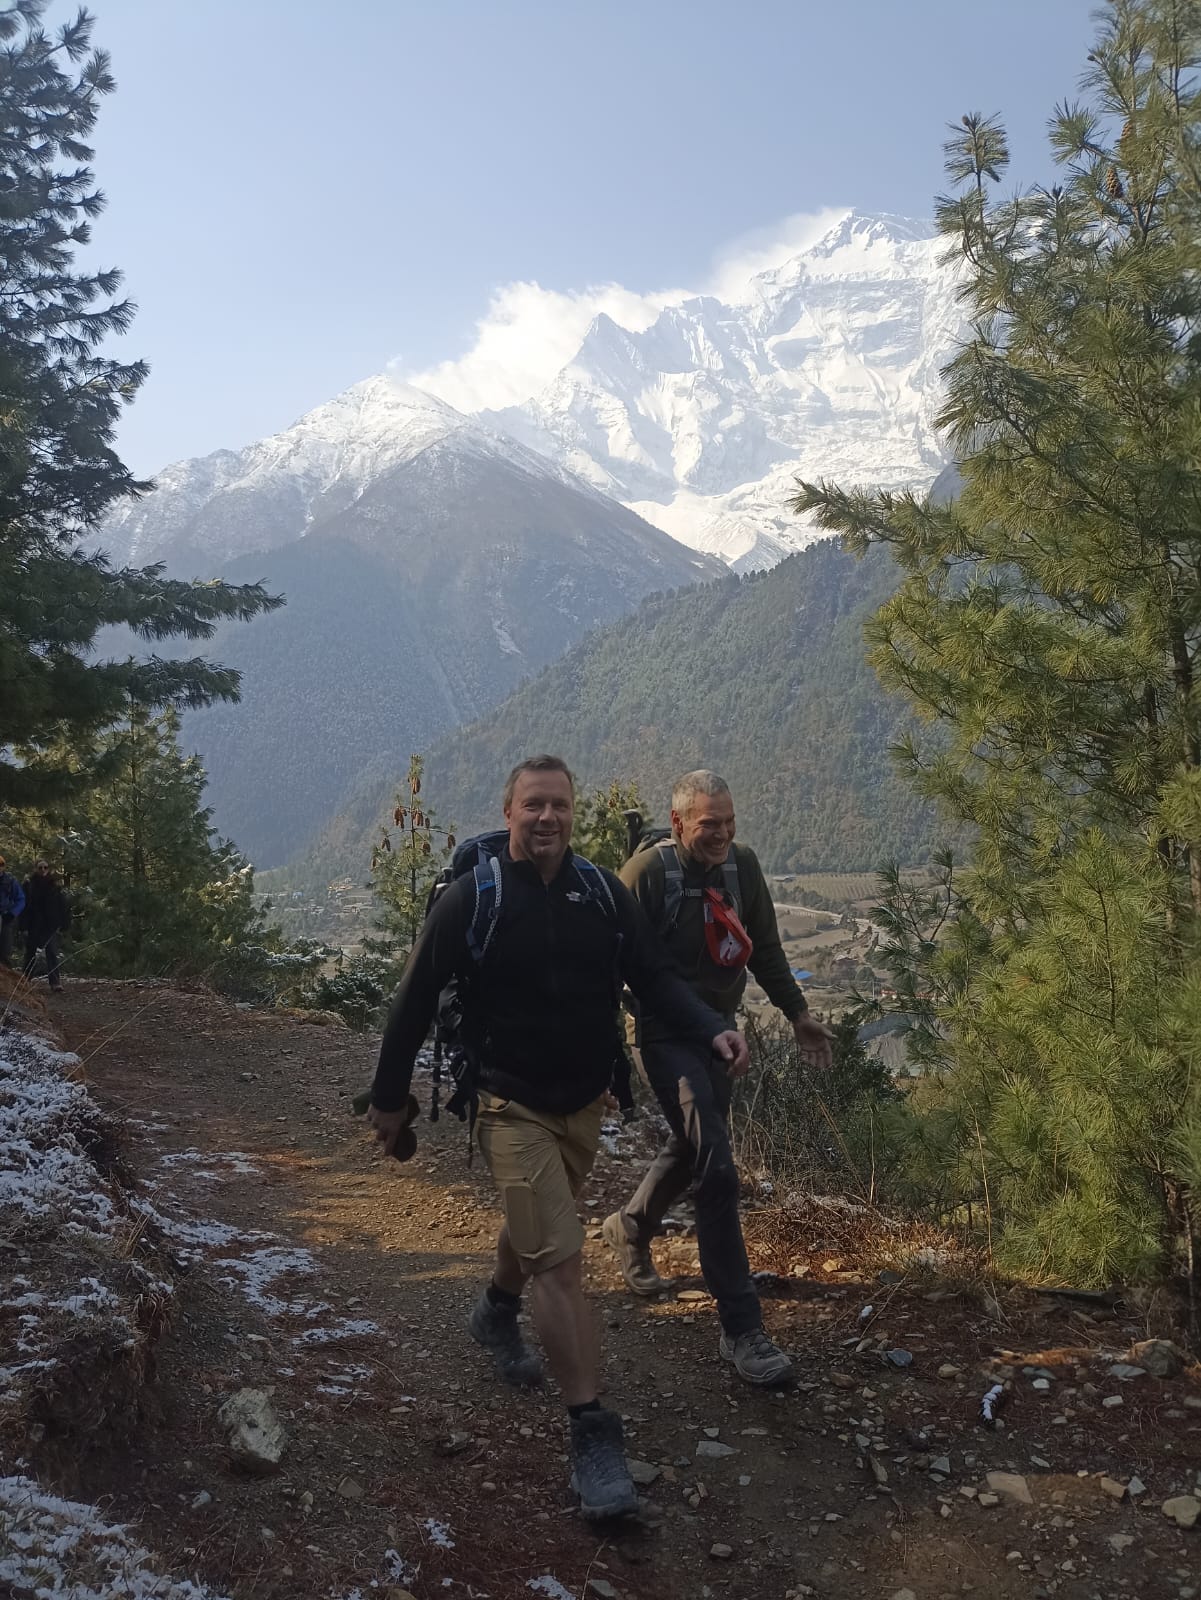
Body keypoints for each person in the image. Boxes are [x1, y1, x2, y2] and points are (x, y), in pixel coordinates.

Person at [367, 755, 748, 1520]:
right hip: (506, 1100)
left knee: (541, 1223)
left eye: (559, 806)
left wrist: (710, 1027)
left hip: (582, 1100)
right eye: (533, 804)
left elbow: (653, 976)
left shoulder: (601, 892)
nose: (547, 817)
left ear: (573, 814)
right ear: (508, 810)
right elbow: (413, 1000)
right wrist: (388, 1099)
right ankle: (591, 1435)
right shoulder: (473, 899)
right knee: (563, 1263)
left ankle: (494, 1309)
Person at [602, 770, 833, 1387]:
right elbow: (608, 966)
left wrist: (799, 1015)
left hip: (721, 1033)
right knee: (718, 1166)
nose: (723, 833)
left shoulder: (741, 867)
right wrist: (603, 1060)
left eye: (729, 822)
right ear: (679, 823)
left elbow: (765, 949)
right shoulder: (645, 876)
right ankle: (742, 1328)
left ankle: (630, 1226)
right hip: (660, 1033)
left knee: (694, 1144)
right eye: (710, 824)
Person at [20, 860, 70, 992]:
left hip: (50, 925)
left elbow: (62, 905)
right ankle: (25, 981)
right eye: (40, 867)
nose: (43, 869)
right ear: (35, 869)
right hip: (33, 924)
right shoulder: (28, 885)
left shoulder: (54, 885)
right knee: (30, 953)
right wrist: (23, 926)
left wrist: (63, 923)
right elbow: (23, 907)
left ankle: (55, 982)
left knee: (51, 952)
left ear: (48, 869)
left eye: (45, 867)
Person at [0, 856, 25, 970]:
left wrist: (12, 913)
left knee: (5, 950)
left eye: (1, 865)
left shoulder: (10, 881)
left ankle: (6, 975)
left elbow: (21, 899)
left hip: (6, 918)